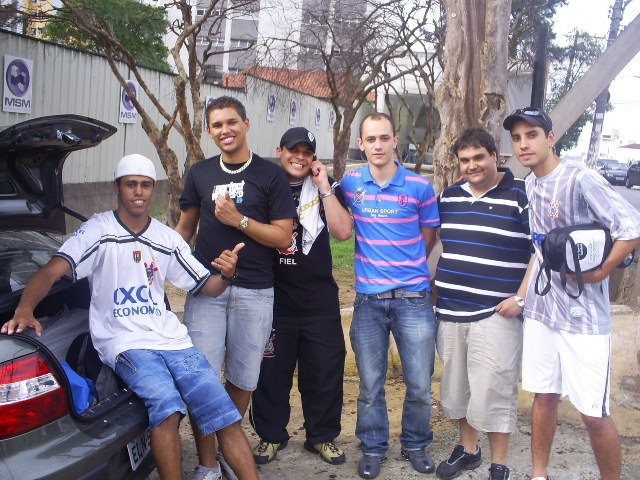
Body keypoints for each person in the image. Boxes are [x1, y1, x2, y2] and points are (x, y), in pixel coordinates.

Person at [1, 154, 259, 480]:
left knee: (224, 414)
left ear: (153, 189)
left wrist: (227, 275)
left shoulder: (166, 238)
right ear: (117, 187)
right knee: (167, 408)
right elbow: (53, 270)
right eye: (131, 184)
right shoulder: (99, 230)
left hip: (172, 340)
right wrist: (25, 309)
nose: (139, 192)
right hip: (124, 341)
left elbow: (207, 286)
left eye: (145, 185)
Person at [503, 107, 640, 480]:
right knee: (544, 396)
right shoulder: (530, 185)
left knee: (594, 413)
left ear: (550, 138)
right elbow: (539, 248)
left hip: (584, 320)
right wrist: (523, 297)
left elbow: (630, 227)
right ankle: (539, 474)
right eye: (517, 138)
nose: (523, 144)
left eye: (532, 135)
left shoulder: (581, 178)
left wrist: (601, 272)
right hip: (543, 313)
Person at [176, 96, 296, 478]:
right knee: (203, 381)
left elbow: (283, 236)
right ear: (209, 132)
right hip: (207, 291)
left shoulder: (270, 175)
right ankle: (209, 464)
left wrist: (238, 220)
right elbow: (183, 230)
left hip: (255, 291)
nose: (225, 130)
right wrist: (157, 265)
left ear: (246, 124)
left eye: (231, 122)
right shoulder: (199, 173)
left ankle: (229, 446)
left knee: (243, 379)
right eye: (217, 125)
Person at [340, 112, 440, 479]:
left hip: (414, 299)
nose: (378, 145)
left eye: (384, 137)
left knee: (419, 384)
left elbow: (428, 236)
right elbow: (337, 220)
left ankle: (415, 443)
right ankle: (373, 447)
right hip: (369, 301)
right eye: (371, 139)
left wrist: (407, 268)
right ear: (362, 144)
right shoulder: (350, 183)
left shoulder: (419, 187)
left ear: (395, 140)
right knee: (370, 385)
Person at [249, 127, 353, 466]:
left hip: (318, 299)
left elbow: (342, 231)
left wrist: (323, 186)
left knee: (324, 372)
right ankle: (270, 435)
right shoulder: (263, 184)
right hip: (273, 298)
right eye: (294, 150)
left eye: (307, 152)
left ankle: (321, 436)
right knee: (270, 374)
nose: (300, 157)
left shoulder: (325, 187)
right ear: (279, 150)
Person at [434, 128, 530, 480]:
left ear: (494, 156)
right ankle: (468, 449)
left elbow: (540, 249)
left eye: (479, 157)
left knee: (494, 387)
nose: (472, 165)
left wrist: (521, 297)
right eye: (465, 160)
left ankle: (499, 463)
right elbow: (439, 241)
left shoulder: (521, 195)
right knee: (459, 387)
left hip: (496, 312)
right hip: (451, 310)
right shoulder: (449, 197)